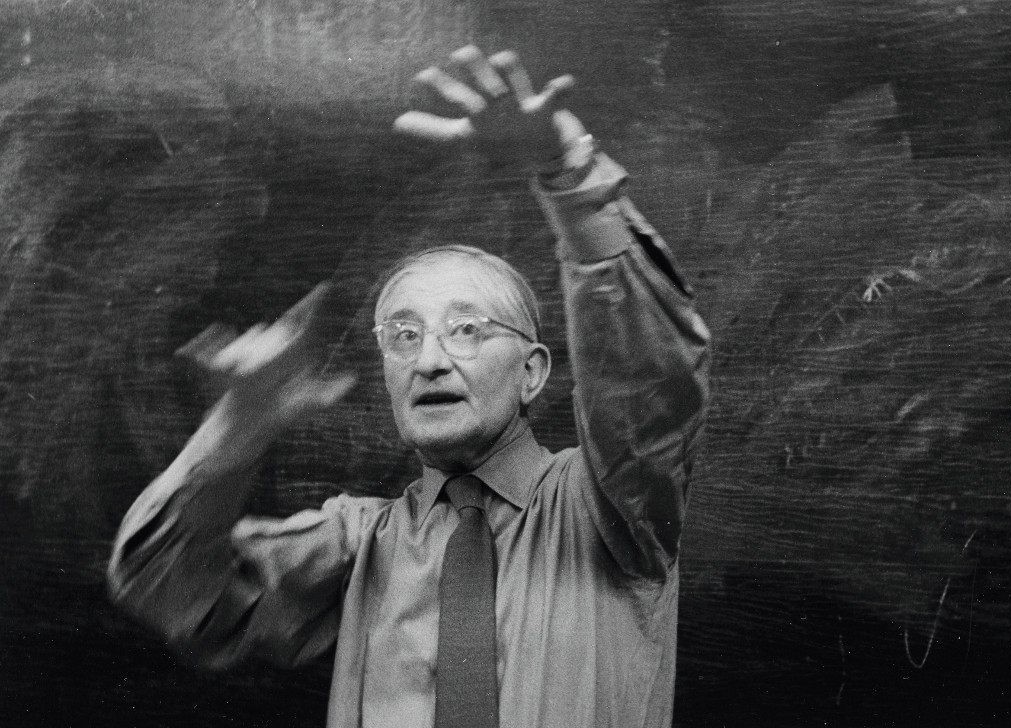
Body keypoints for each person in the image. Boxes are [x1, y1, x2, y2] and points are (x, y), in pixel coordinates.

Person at [108, 45, 711, 728]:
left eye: (466, 331)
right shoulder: (357, 543)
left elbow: (650, 380)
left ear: (533, 371)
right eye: (403, 336)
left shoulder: (614, 508)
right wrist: (235, 428)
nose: (427, 360)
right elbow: (169, 590)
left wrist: (567, 171)